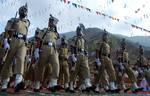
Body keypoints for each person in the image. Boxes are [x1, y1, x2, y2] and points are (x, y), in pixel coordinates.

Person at [0, 3, 30, 92]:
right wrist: (5, 41)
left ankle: (18, 82)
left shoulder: (27, 22)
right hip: (13, 40)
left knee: (21, 59)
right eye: (22, 10)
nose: (24, 11)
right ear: (19, 11)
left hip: (23, 43)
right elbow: (7, 30)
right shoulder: (13, 20)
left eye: (26, 10)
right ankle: (5, 82)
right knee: (8, 61)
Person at [34, 14, 60, 92]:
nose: (50, 22)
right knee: (41, 67)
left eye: (52, 21)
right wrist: (36, 50)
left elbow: (57, 40)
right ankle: (37, 84)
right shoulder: (45, 30)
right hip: (44, 48)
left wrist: (57, 51)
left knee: (56, 65)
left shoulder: (56, 33)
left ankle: (53, 83)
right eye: (50, 21)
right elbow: (39, 39)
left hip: (53, 49)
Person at [69, 24, 93, 93]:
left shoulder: (83, 39)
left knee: (86, 69)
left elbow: (84, 48)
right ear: (77, 31)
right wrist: (73, 55)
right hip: (77, 55)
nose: (80, 32)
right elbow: (72, 47)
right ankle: (71, 86)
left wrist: (86, 52)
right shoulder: (75, 38)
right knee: (74, 71)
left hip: (83, 55)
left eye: (81, 30)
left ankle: (87, 83)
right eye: (79, 30)